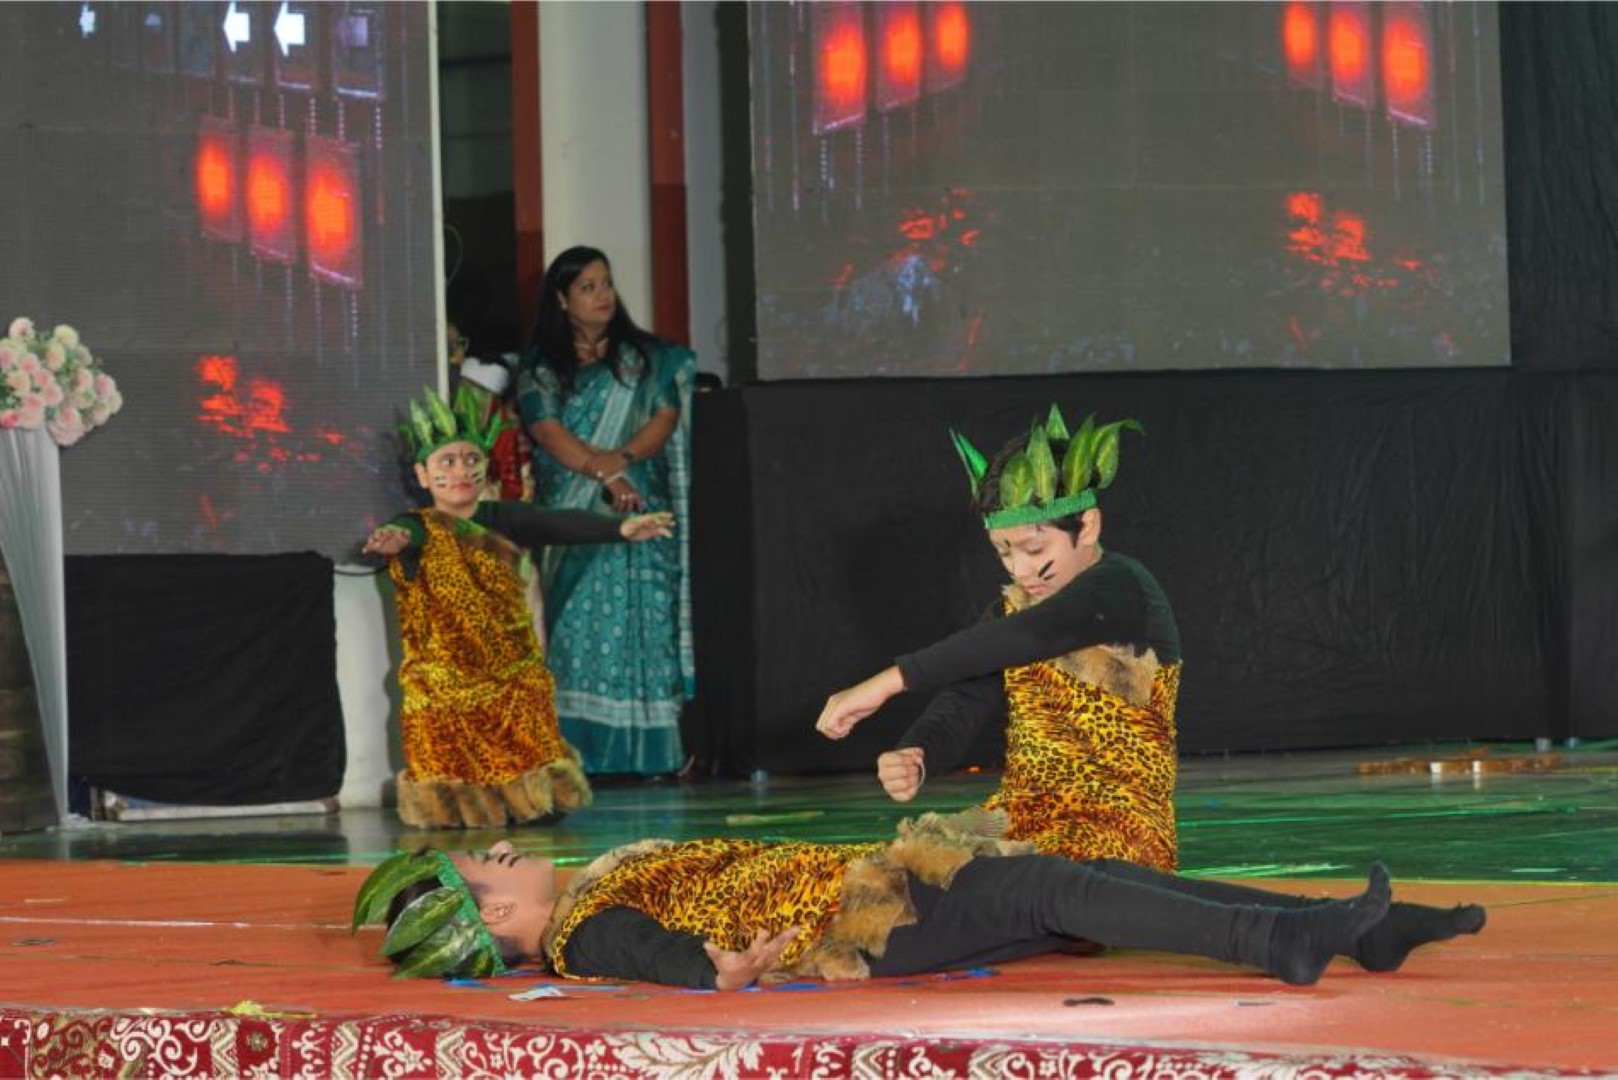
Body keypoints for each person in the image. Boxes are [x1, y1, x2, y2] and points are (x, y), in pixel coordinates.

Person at [351, 812, 1486, 989]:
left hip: (874, 888)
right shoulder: (584, 930)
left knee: (1093, 886)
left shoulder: (589, 889)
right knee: (1052, 885)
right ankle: (1284, 942)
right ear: (494, 918)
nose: (499, 847)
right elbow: (664, 959)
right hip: (865, 923)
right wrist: (725, 967)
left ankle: (1358, 930)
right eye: (486, 864)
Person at [816, 407, 1183, 870]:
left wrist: (886, 682)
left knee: (1022, 882)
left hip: (1117, 828)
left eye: (1034, 549)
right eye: (1003, 552)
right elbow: (965, 699)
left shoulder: (1122, 587)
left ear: (1087, 527)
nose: (1020, 570)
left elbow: (1031, 635)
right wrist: (918, 752)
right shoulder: (1012, 612)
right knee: (892, 874)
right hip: (1021, 820)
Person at [364, 385, 676, 828]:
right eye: (447, 462)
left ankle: (529, 803)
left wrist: (620, 529)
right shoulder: (417, 528)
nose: (461, 470)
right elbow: (405, 535)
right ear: (423, 474)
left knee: (534, 775)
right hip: (446, 689)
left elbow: (557, 522)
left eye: (470, 459)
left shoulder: (502, 519)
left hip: (512, 681)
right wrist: (394, 541)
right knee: (456, 794)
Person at [516, 246, 696, 777]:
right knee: (576, 631)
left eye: (607, 283)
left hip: (641, 505)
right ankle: (578, 758)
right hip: (575, 516)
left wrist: (621, 463)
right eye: (588, 287)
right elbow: (547, 431)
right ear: (562, 299)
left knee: (646, 624)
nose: (603, 295)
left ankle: (652, 755)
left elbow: (664, 416)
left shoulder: (647, 359)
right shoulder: (541, 365)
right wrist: (602, 473)